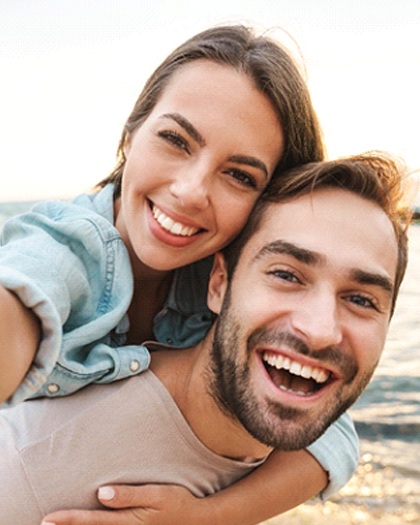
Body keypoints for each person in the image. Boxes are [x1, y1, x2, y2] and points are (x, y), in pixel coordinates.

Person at [0, 25, 357, 524]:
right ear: (131, 134)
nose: (191, 191)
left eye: (239, 175)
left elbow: (330, 436)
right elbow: (24, 290)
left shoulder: (234, 284)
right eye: (175, 140)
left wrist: (203, 518)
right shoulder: (65, 247)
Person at [0, 152, 409, 525]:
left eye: (360, 299)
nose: (320, 331)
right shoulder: (41, 477)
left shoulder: (275, 447)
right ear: (218, 283)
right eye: (285, 275)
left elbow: (337, 441)